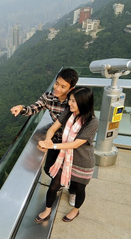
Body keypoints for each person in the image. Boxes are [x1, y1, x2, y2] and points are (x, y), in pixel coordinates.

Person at [10, 68, 79, 206]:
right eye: (57, 83)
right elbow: (34, 108)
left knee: (73, 171)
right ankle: (59, 183)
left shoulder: (74, 102)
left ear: (71, 88)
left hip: (71, 141)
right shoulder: (49, 97)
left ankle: (73, 191)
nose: (57, 88)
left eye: (63, 86)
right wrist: (22, 108)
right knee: (49, 168)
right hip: (54, 138)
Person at [35, 87, 98, 223]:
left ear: (83, 102)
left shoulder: (92, 122)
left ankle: (75, 210)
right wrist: (48, 140)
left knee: (79, 188)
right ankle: (47, 210)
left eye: (73, 101)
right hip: (65, 159)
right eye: (70, 100)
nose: (69, 103)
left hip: (83, 162)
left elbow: (76, 144)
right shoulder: (69, 112)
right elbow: (53, 128)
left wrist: (53, 146)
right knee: (54, 185)